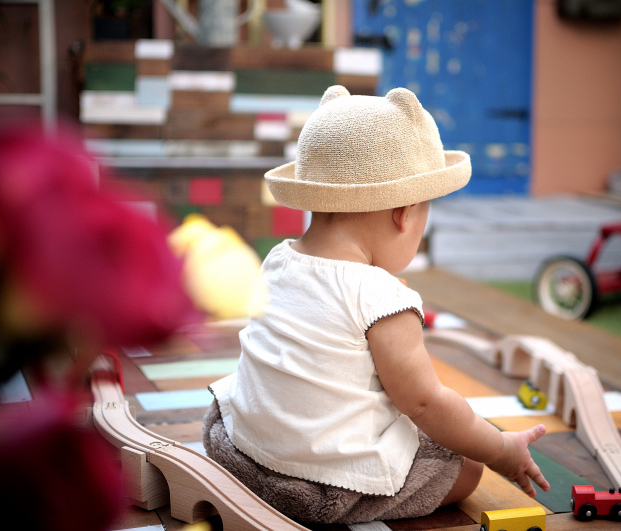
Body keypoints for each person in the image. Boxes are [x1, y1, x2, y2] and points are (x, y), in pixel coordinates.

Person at [203, 85, 550, 524]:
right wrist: (499, 449)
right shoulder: (382, 298)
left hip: (243, 454)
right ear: (403, 214)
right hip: (320, 488)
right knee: (467, 467)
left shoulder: (277, 259)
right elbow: (424, 403)